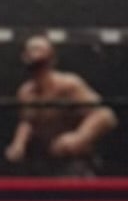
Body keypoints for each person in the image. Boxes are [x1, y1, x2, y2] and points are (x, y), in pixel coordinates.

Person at [6, 33, 117, 173]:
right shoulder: (25, 92)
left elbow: (105, 115)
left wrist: (80, 137)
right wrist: (19, 144)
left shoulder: (68, 85)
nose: (34, 53)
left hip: (75, 161)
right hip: (43, 160)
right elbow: (27, 121)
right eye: (31, 49)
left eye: (38, 49)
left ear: (52, 59)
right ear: (24, 57)